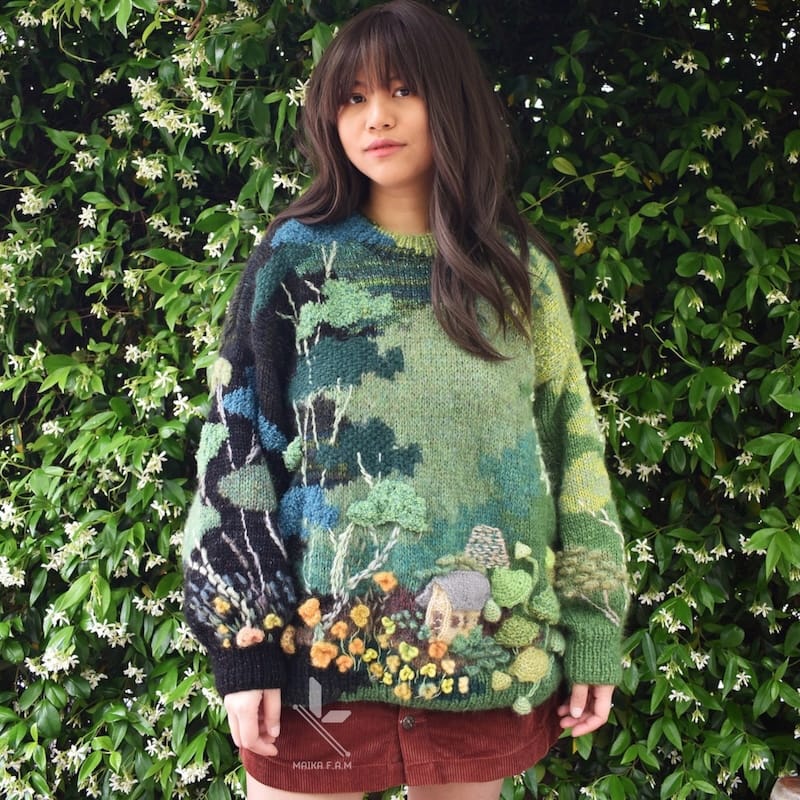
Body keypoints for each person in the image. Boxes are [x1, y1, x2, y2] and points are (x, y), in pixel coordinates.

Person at [182, 1, 629, 798]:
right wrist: (244, 638)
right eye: (350, 98)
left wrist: (594, 630)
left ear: (449, 101)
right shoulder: (293, 263)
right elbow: (235, 445)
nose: (374, 117)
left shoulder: (517, 278)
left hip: (481, 667)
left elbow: (575, 448)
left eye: (398, 90)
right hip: (313, 672)